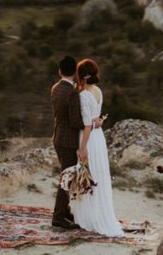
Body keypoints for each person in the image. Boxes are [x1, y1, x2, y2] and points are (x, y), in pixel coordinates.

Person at [70, 58, 123, 237]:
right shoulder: (98, 91)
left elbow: (87, 124)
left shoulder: (83, 95)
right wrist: (98, 122)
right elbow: (96, 118)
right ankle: (99, 213)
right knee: (97, 174)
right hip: (99, 137)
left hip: (89, 138)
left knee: (87, 174)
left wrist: (82, 148)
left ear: (81, 75)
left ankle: (89, 218)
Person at [50, 55, 83, 229]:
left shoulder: (55, 88)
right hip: (69, 141)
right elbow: (75, 122)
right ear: (75, 72)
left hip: (58, 137)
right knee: (67, 178)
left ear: (60, 71)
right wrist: (91, 123)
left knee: (66, 176)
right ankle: (58, 217)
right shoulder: (72, 93)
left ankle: (65, 210)